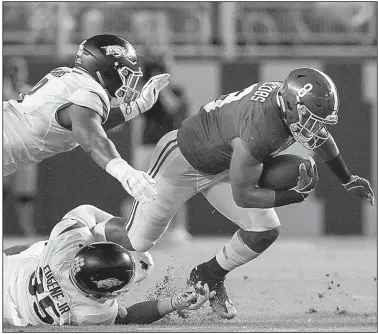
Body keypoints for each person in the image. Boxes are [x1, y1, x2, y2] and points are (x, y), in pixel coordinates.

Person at [122, 68, 375, 319]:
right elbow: (242, 197)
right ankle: (89, 227)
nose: (314, 128)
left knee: (264, 230)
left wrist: (347, 178)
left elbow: (321, 137)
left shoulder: (287, 102)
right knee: (137, 243)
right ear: (290, 106)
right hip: (180, 162)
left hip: (224, 167)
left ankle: (208, 275)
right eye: (310, 120)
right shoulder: (261, 127)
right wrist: (296, 195)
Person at [3, 34, 170, 204]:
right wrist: (124, 171)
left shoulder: (70, 77)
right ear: (107, 70)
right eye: (125, 73)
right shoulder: (90, 92)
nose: (127, 82)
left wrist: (138, 107)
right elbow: (93, 139)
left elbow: (90, 123)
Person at [3, 204, 214, 326]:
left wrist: (130, 238)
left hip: (10, 273)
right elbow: (126, 317)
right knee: (48, 247)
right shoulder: (92, 313)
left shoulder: (65, 245)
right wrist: (174, 302)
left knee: (45, 248)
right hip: (10, 312)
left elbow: (86, 211)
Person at [3, 57, 38, 236]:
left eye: (19, 70)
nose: (16, 74)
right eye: (13, 70)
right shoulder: (3, 91)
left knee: (25, 194)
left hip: (25, 148)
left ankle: (26, 229)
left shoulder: (31, 92)